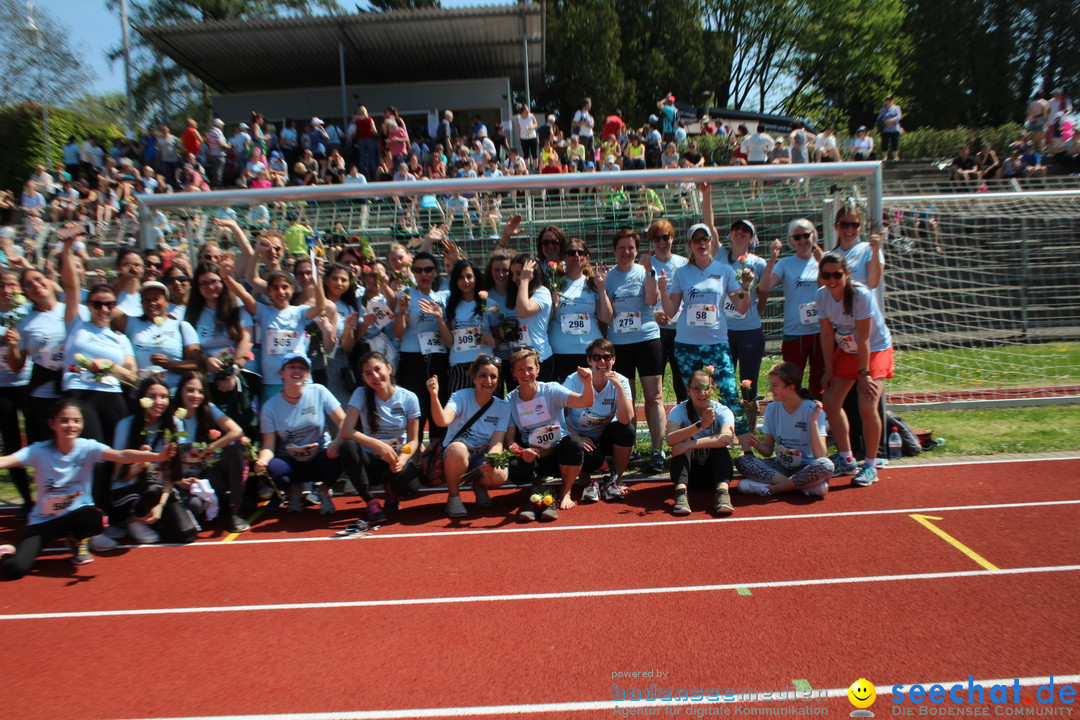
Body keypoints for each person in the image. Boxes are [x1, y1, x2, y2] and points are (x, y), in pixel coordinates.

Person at [0, 400, 174, 579]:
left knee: (98, 519)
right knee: (15, 569)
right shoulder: (38, 451)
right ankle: (5, 551)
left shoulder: (87, 447)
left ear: (82, 424)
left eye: (76, 421)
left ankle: (77, 539)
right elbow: (7, 461)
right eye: (65, 420)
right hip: (44, 521)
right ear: (53, 424)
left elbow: (121, 455)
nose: (71, 425)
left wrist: (158, 456)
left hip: (77, 514)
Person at [661, 222, 754, 462]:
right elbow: (671, 313)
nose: (702, 243)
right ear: (690, 244)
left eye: (706, 239)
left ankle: (747, 454)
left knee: (730, 394)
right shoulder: (681, 273)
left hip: (716, 344)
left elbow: (742, 308)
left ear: (711, 242)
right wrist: (662, 289)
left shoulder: (724, 271)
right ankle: (695, 451)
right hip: (686, 345)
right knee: (694, 398)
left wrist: (745, 286)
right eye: (696, 239)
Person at [816, 252, 895, 487]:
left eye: (837, 275)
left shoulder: (861, 295)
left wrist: (864, 374)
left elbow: (864, 338)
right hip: (848, 349)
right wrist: (829, 369)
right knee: (830, 402)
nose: (831, 280)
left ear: (847, 274)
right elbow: (827, 334)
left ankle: (871, 464)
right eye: (826, 275)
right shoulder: (822, 296)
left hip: (875, 348)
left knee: (867, 404)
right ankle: (846, 459)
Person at [504, 348, 593, 521]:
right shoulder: (509, 400)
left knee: (574, 443)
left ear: (538, 369)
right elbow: (508, 438)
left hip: (558, 454)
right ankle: (537, 487)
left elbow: (586, 401)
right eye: (520, 369)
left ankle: (565, 492)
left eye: (530, 368)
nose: (526, 373)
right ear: (513, 372)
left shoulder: (551, 390)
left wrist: (588, 383)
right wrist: (522, 452)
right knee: (515, 469)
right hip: (533, 456)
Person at [604, 228, 665, 473]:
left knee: (654, 397)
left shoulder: (644, 271)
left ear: (637, 250)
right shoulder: (608, 277)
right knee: (627, 399)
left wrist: (649, 271)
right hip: (620, 344)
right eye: (621, 248)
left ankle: (657, 449)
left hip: (647, 339)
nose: (626, 252)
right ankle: (631, 449)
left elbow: (651, 301)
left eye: (631, 247)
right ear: (615, 250)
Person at [255, 353, 348, 514]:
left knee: (345, 448)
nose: (297, 371)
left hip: (321, 456)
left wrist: (337, 442)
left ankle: (324, 490)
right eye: (292, 367)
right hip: (292, 461)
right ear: (281, 373)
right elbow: (268, 445)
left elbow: (345, 423)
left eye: (302, 368)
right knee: (273, 466)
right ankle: (293, 492)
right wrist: (262, 461)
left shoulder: (319, 391)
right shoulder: (270, 406)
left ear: (308, 375)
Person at [333, 351, 420, 522]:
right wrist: (379, 446)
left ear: (389, 368)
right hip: (370, 460)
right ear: (364, 378)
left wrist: (403, 458)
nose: (374, 376)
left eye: (377, 369)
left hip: (396, 457)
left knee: (410, 488)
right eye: (368, 373)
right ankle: (370, 501)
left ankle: (392, 489)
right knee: (347, 446)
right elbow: (347, 431)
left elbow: (413, 440)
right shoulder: (360, 393)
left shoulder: (409, 398)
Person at [427, 355, 511, 517]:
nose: (488, 381)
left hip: (480, 457)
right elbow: (442, 421)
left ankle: (479, 485)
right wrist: (433, 396)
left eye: (493, 377)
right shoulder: (460, 397)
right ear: (473, 377)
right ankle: (454, 498)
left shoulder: (503, 407)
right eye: (482, 375)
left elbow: (497, 442)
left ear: (498, 380)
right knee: (458, 450)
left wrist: (492, 459)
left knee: (500, 475)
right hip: (456, 456)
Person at [735, 362, 833, 499]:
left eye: (774, 386)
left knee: (826, 465)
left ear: (790, 388)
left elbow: (820, 455)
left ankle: (774, 489)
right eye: (771, 385)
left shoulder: (813, 410)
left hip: (805, 467)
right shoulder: (771, 409)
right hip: (781, 468)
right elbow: (768, 451)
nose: (770, 389)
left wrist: (813, 422)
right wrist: (757, 444)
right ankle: (800, 486)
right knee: (743, 461)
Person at [759, 219, 826, 399]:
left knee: (820, 382)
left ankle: (818, 420)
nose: (803, 240)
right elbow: (764, 287)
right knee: (790, 382)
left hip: (822, 331)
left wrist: (821, 263)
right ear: (791, 240)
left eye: (806, 235)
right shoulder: (785, 263)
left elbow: (830, 287)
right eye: (797, 237)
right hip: (795, 332)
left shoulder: (825, 260)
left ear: (814, 235)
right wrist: (773, 256)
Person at [564, 339, 634, 502]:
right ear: (589, 361)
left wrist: (619, 388)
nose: (602, 362)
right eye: (596, 358)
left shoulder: (621, 381)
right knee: (590, 459)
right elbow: (557, 415)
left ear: (613, 360)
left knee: (627, 430)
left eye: (607, 357)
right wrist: (576, 437)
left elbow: (625, 419)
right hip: (579, 435)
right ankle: (585, 477)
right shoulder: (574, 381)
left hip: (603, 436)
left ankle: (616, 479)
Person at [392, 251, 450, 442]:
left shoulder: (444, 297)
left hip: (438, 359)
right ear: (413, 272)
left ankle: (434, 464)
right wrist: (401, 312)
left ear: (435, 272)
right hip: (412, 359)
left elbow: (449, 335)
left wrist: (439, 317)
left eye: (428, 269)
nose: (424, 274)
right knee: (415, 411)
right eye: (418, 270)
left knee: (438, 409)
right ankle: (413, 461)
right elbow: (398, 333)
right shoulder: (406, 296)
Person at [664, 368, 737, 516]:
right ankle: (681, 493)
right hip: (690, 474)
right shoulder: (679, 410)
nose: (702, 394)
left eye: (706, 388)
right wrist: (700, 425)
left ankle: (722, 493)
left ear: (714, 389)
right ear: (688, 390)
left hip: (713, 473)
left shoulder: (722, 411)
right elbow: (670, 439)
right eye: (696, 389)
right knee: (681, 442)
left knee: (719, 446)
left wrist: (689, 444)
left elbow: (727, 438)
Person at [549, 237, 609, 381]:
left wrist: (602, 290)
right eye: (571, 252)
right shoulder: (554, 283)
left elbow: (606, 317)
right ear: (564, 256)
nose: (576, 256)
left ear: (586, 256)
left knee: (592, 398)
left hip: (589, 351)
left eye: (580, 252)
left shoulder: (594, 283)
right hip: (561, 351)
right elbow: (546, 319)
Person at [647, 219, 688, 403]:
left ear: (672, 238)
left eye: (665, 237)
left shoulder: (684, 263)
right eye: (657, 239)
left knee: (683, 383)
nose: (662, 243)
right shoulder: (646, 266)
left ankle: (685, 424)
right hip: (656, 331)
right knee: (656, 384)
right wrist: (652, 315)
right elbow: (641, 300)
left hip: (681, 330)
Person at [876, 96, 902, 161]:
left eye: (890, 100)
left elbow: (899, 116)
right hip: (885, 129)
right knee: (884, 143)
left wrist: (892, 120)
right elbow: (879, 118)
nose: (889, 101)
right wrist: (885, 121)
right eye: (887, 100)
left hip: (894, 128)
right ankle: (885, 157)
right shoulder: (883, 109)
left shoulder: (897, 108)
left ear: (892, 100)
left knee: (895, 143)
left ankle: (895, 157)